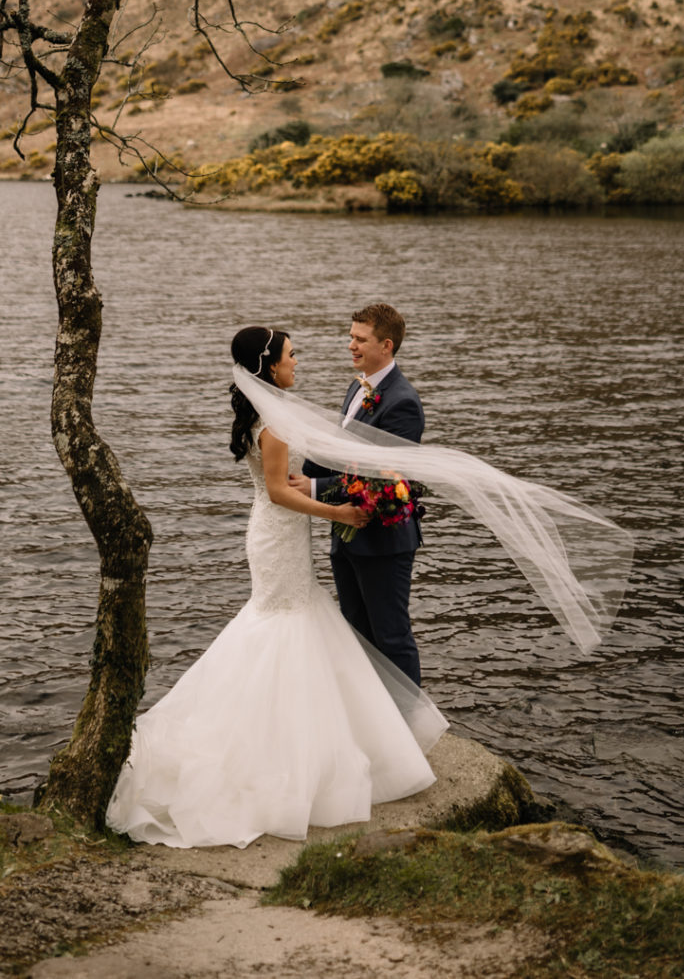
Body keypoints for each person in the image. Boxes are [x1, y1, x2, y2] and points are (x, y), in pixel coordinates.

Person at [104, 325, 448, 849]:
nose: (297, 361)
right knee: (285, 627)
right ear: (268, 365)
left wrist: (320, 491)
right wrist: (336, 509)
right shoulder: (275, 423)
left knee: (288, 625)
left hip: (274, 536)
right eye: (290, 355)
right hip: (280, 534)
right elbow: (277, 492)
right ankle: (291, 755)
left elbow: (291, 482)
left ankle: (303, 742)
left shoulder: (262, 414)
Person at [291, 302, 425, 685]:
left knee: (392, 637)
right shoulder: (357, 386)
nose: (351, 345)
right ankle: (374, 722)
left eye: (360, 339)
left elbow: (385, 478)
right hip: (347, 535)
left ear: (386, 345)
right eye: (351, 337)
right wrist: (295, 471)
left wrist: (314, 489)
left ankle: (411, 730)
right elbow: (339, 454)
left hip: (384, 540)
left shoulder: (403, 403)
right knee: (357, 636)